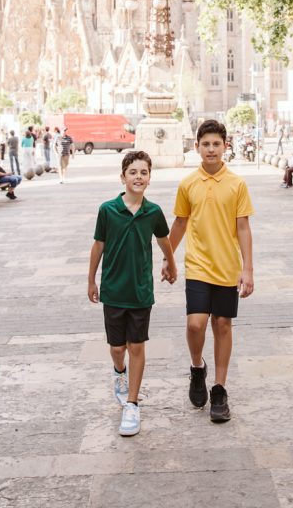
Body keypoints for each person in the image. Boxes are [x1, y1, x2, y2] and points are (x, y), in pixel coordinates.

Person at [163, 119, 254, 424]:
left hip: (227, 267)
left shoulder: (237, 184)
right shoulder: (188, 184)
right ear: (197, 147)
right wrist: (168, 258)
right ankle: (196, 368)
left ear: (225, 146)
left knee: (223, 324)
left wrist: (248, 269)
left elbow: (243, 227)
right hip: (198, 265)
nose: (211, 149)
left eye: (216, 144)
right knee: (195, 325)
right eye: (206, 144)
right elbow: (179, 223)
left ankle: (219, 389)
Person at [88, 150, 177, 437]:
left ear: (149, 178)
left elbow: (164, 241)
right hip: (113, 290)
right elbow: (98, 246)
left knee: (136, 346)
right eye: (133, 172)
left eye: (143, 172)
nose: (138, 177)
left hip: (140, 291)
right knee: (117, 348)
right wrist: (91, 280)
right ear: (123, 177)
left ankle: (132, 403)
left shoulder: (153, 212)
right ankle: (118, 372)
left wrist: (171, 265)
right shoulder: (107, 210)